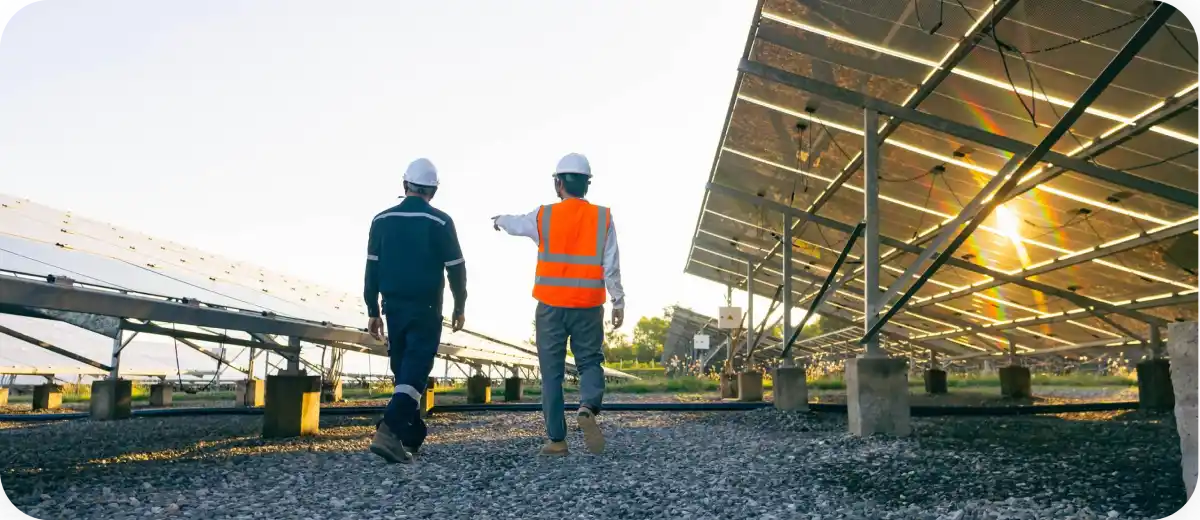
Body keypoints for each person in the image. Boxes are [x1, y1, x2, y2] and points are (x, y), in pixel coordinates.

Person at [492, 152, 625, 457]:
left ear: (559, 183)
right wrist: (618, 301)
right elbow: (611, 264)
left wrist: (499, 220)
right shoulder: (603, 217)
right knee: (590, 361)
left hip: (551, 306)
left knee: (551, 373)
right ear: (586, 185)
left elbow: (517, 224)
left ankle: (557, 440)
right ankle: (588, 406)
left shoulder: (544, 215)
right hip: (590, 304)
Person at [365, 157, 467, 464]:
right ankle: (389, 430)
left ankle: (412, 433)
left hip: (392, 306)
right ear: (433, 191)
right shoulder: (440, 222)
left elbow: (371, 268)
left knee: (403, 369)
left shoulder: (381, 221)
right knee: (415, 369)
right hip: (426, 306)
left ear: (404, 184)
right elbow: (456, 269)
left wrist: (372, 309)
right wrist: (460, 305)